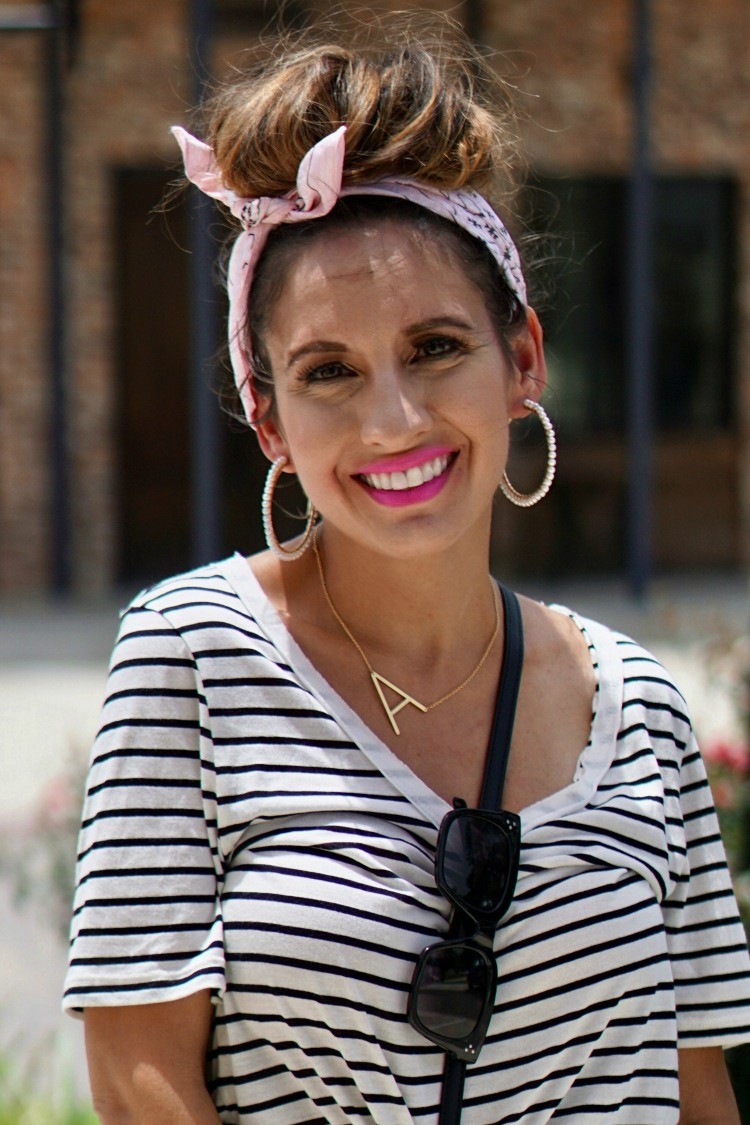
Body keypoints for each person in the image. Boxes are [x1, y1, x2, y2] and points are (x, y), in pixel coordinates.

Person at [64, 20, 750, 1124]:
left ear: (521, 359)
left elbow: (696, 1087)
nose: (393, 422)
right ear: (267, 417)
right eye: (327, 371)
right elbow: (139, 1076)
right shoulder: (191, 657)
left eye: (436, 348)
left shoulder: (644, 711)